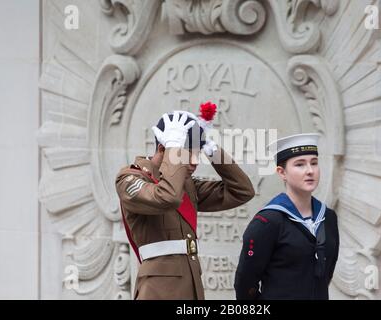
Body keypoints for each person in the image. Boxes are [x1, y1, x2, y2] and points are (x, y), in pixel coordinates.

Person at [116, 103, 255, 300]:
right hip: (158, 291)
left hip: (191, 286)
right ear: (164, 148)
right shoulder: (129, 178)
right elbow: (167, 197)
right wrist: (175, 147)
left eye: (197, 154)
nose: (195, 162)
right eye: (187, 155)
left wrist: (213, 151)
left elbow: (242, 191)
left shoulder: (186, 185)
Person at [234, 133, 339, 300]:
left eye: (314, 163)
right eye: (300, 165)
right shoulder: (268, 221)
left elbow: (327, 273)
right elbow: (245, 282)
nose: (310, 171)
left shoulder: (328, 217)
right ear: (282, 172)